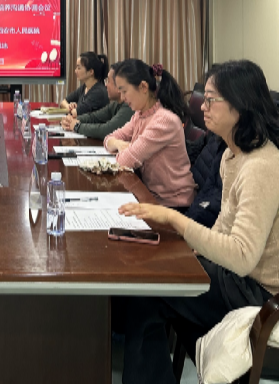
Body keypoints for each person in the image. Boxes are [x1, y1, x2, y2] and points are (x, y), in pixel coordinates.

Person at [118, 60, 279, 384]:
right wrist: (189, 251)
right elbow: (223, 226)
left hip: (257, 291)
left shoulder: (262, 166)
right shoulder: (231, 155)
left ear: (240, 104)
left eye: (211, 99)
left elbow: (243, 256)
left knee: (146, 291)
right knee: (149, 283)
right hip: (234, 277)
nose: (201, 107)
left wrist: (175, 220)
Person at [104, 59, 195, 208]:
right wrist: (119, 144)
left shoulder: (164, 121)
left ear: (143, 87)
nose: (122, 98)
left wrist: (126, 148)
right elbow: (109, 138)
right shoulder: (140, 115)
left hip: (173, 203)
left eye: (124, 91)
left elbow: (125, 161)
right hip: (151, 195)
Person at [61, 61, 134, 139]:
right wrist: (70, 120)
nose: (106, 85)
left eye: (108, 81)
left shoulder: (129, 106)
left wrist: (77, 126)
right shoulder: (115, 104)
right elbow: (94, 117)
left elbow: (107, 130)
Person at [59, 52, 109, 117]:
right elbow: (63, 102)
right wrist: (69, 106)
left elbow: (75, 113)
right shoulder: (84, 87)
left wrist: (74, 109)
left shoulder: (99, 92)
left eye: (79, 68)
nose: (75, 71)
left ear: (91, 72)